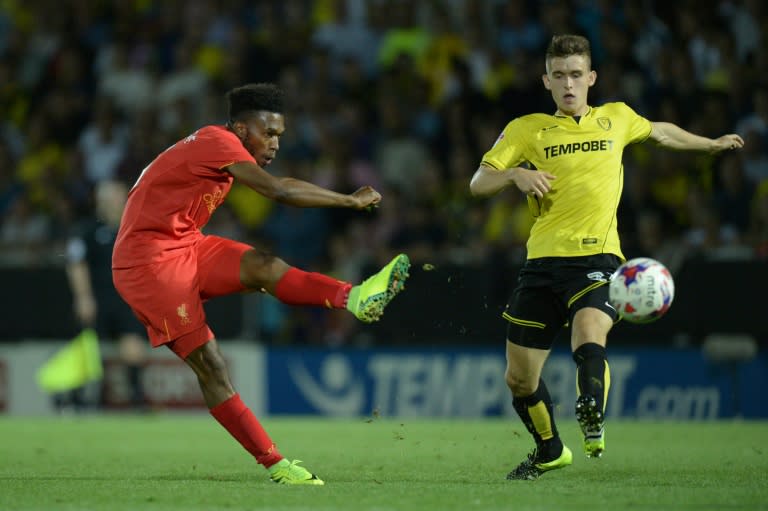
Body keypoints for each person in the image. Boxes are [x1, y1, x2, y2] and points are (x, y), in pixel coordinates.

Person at [469, 34, 744, 480]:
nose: (568, 85)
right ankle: (550, 450)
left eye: (576, 75)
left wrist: (709, 144)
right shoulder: (526, 129)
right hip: (541, 265)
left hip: (598, 258)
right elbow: (478, 183)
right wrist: (515, 174)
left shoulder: (616, 118)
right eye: (559, 76)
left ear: (591, 77)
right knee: (519, 379)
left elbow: (661, 132)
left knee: (589, 329)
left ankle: (591, 411)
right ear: (546, 81)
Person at [112, 83, 410, 485]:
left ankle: (354, 298)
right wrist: (348, 201)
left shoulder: (215, 144)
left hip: (184, 244)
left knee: (263, 265)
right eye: (267, 133)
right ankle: (276, 463)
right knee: (211, 366)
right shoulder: (218, 140)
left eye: (279, 136)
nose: (274, 144)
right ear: (239, 127)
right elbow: (279, 189)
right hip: (148, 263)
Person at [66, 180, 148, 412]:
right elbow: (76, 264)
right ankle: (79, 398)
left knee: (132, 344)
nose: (109, 204)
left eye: (113, 198)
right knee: (88, 347)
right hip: (98, 298)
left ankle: (136, 398)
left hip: (126, 299)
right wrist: (83, 298)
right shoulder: (88, 230)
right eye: (105, 199)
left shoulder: (135, 228)